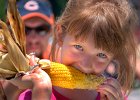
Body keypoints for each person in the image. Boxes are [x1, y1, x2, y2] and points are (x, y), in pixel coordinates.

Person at [8, 0, 138, 100]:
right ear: (60, 35)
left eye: (101, 55)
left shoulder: (113, 96)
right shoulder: (34, 94)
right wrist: (41, 93)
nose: (86, 65)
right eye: (78, 47)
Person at [0, 0, 54, 100]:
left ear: (51, 31)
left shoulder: (58, 57)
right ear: (9, 31)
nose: (33, 39)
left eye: (41, 29)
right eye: (24, 30)